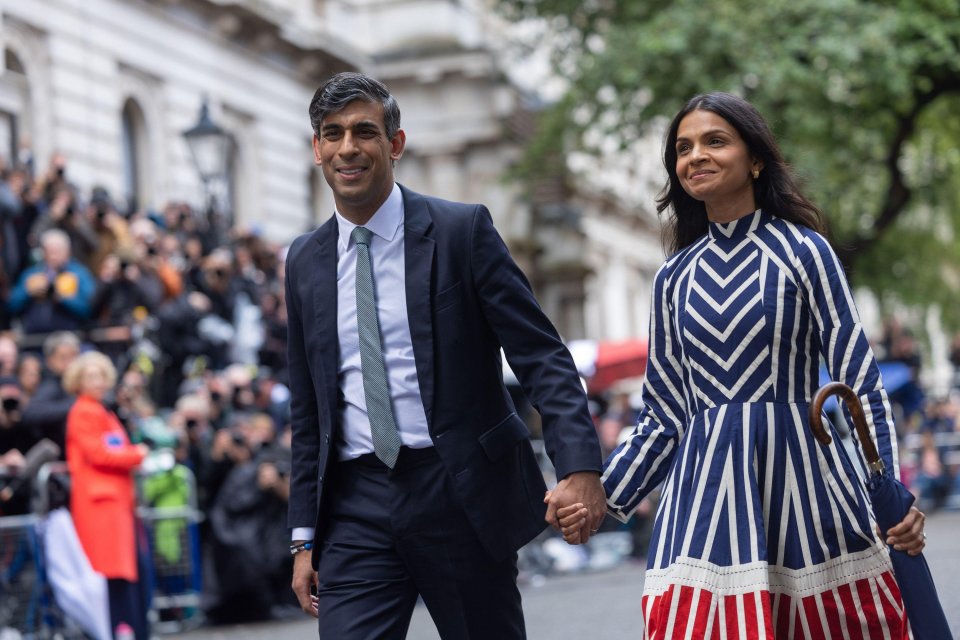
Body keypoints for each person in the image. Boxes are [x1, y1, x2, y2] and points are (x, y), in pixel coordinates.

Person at [555, 92, 925, 637]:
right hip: (704, 503)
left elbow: (859, 386)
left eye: (714, 141)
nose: (695, 156)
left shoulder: (806, 252)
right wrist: (599, 498)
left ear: (755, 160)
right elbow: (664, 415)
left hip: (810, 490)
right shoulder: (671, 279)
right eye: (683, 148)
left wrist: (890, 494)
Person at [285, 71, 605, 639]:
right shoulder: (305, 260)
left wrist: (579, 467)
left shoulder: (462, 231)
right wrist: (304, 535)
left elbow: (541, 356)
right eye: (332, 134)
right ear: (316, 149)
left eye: (364, 131)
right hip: (356, 505)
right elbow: (309, 409)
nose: (348, 148)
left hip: (458, 491)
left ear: (395, 144)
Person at [63, 351, 150, 640]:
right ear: (78, 381)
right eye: (91, 376)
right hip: (100, 504)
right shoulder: (84, 411)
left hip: (114, 503)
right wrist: (136, 455)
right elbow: (100, 453)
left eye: (101, 375)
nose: (98, 381)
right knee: (110, 574)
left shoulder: (101, 411)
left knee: (121, 573)